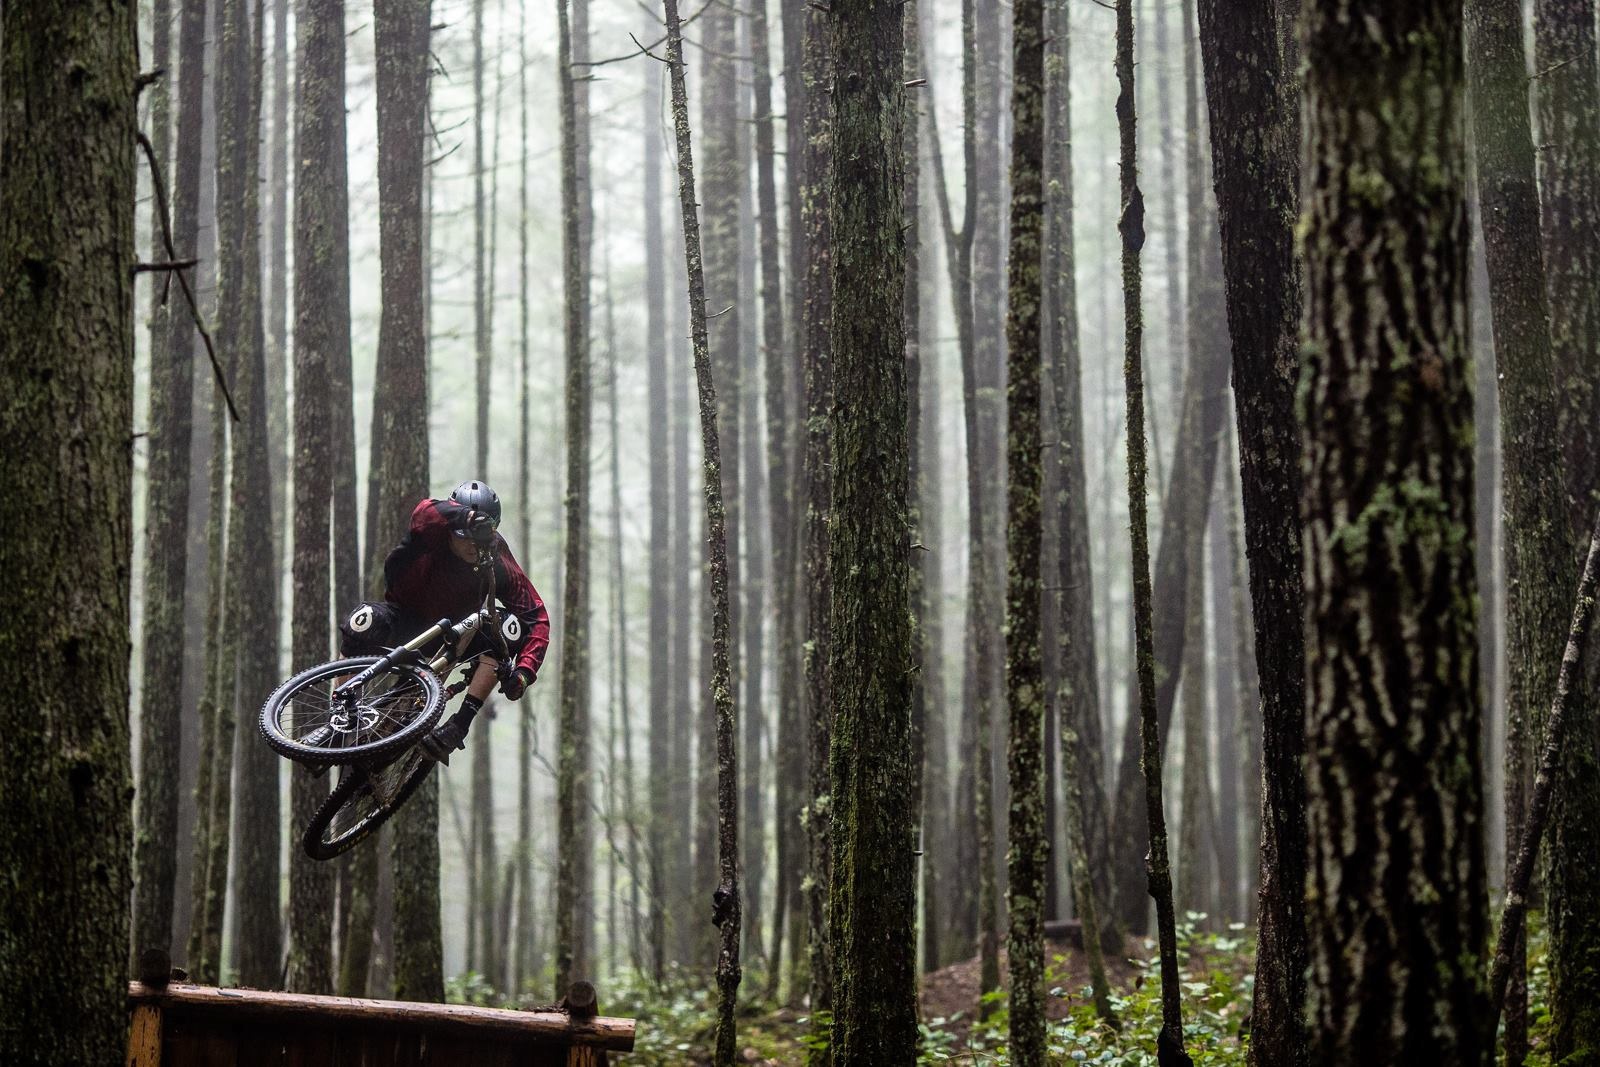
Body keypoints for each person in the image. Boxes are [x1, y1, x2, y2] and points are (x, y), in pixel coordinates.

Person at [339, 480, 549, 763]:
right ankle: (342, 713)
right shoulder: (433, 529)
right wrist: (467, 518)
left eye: (481, 536)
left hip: (451, 639)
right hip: (404, 621)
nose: (472, 544)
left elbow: (536, 617)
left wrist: (524, 673)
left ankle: (458, 726)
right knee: (361, 622)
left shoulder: (495, 554)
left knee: (509, 629)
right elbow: (423, 512)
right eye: (464, 535)